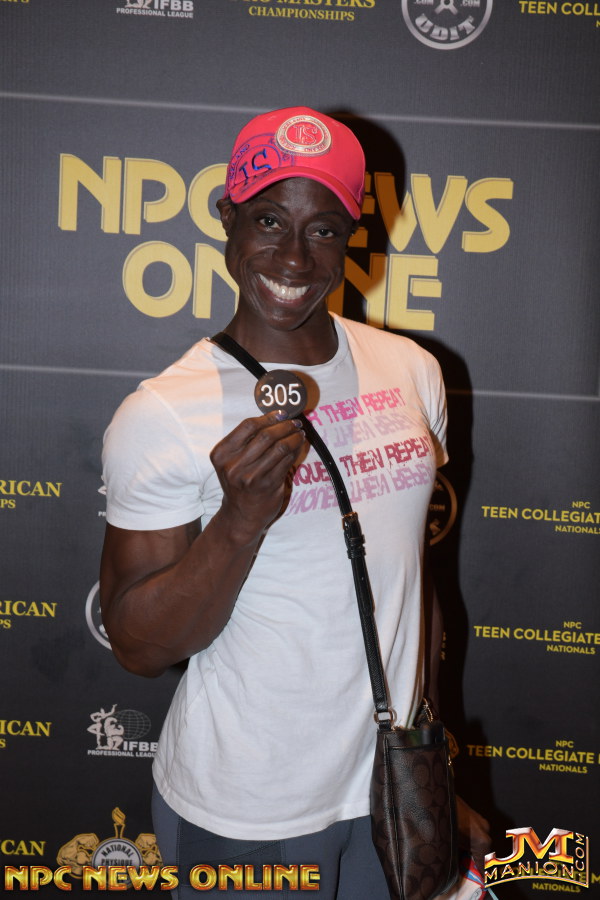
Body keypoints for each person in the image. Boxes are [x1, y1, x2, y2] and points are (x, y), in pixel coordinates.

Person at [100, 107, 489, 898]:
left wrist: (435, 761)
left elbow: (409, 586)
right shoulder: (163, 411)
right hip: (247, 807)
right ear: (228, 217)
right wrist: (237, 525)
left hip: (390, 789)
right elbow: (138, 646)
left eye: (323, 230)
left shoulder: (412, 371)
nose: (292, 257)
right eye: (270, 220)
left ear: (352, 236)